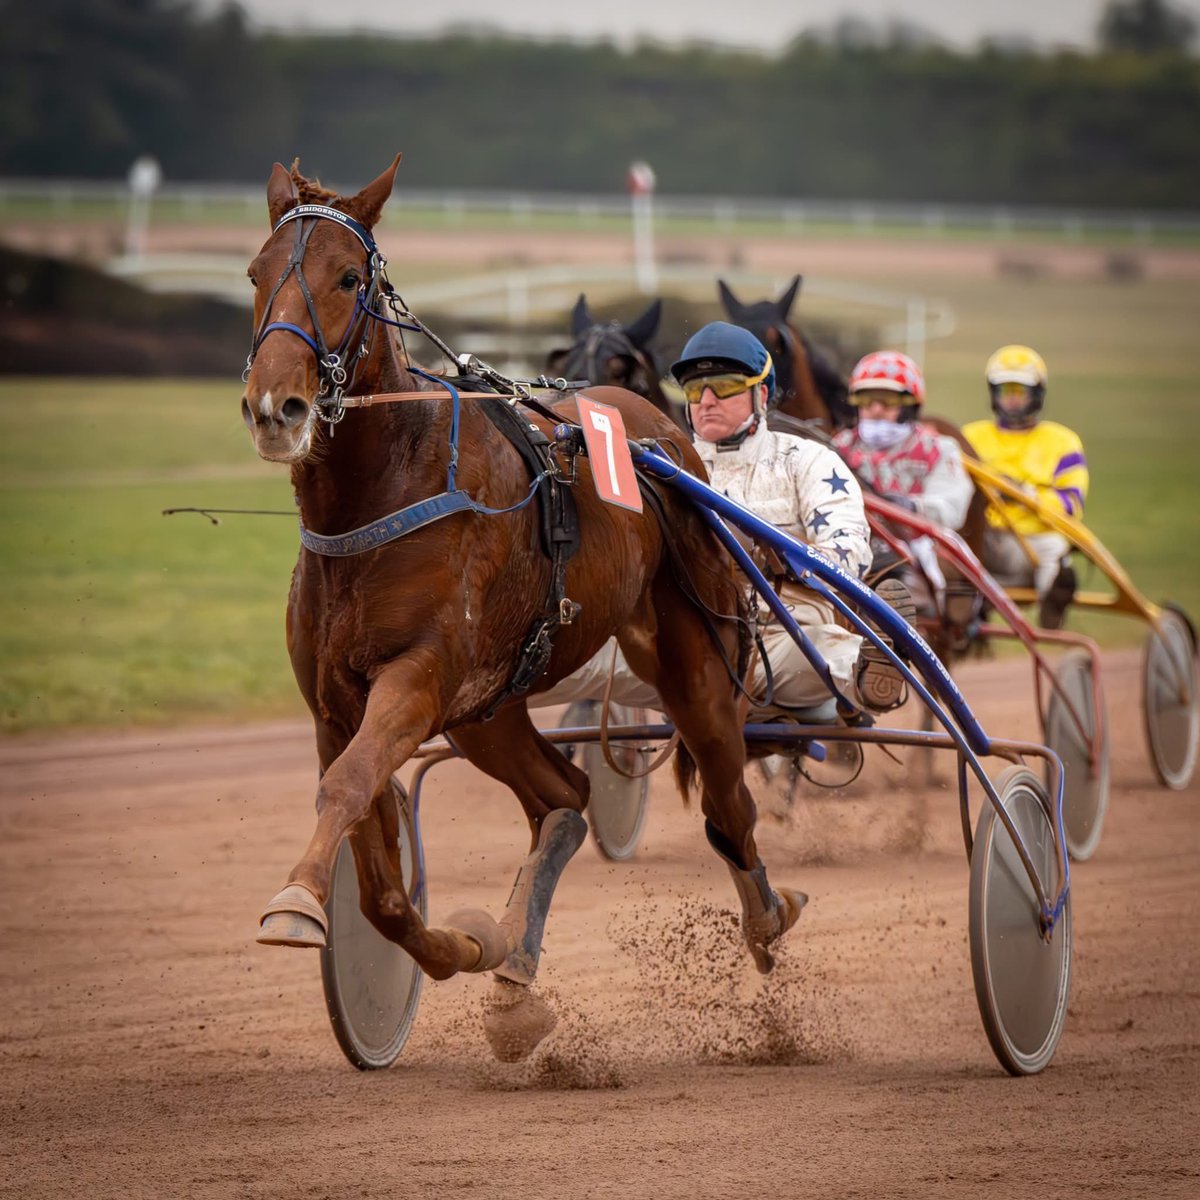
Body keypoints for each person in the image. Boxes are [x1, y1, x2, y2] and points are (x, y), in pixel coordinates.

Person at [536, 322, 914, 716]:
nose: (707, 400)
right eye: (695, 389)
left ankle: (871, 670)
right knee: (554, 665)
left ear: (761, 394)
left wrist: (769, 555)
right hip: (675, 646)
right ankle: (494, 694)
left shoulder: (808, 460)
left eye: (725, 386)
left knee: (832, 653)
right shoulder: (658, 466)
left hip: (782, 636)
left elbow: (851, 555)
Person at [832, 350, 974, 613]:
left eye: (887, 400)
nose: (875, 409)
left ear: (909, 405)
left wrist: (911, 507)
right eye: (866, 399)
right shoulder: (836, 448)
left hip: (919, 544)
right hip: (850, 541)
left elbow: (952, 506)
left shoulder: (938, 449)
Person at [963, 345, 1088, 630]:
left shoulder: (1063, 442)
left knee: (1055, 550)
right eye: (1005, 391)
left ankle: (1051, 614)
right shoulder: (971, 436)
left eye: (1019, 391)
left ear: (1037, 393)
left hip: (1034, 541)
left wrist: (1023, 494)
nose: (1012, 399)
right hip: (982, 537)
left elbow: (1071, 504)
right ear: (993, 392)